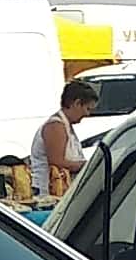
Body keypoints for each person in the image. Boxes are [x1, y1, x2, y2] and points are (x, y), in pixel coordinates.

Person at [26, 78, 102, 207]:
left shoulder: (66, 126)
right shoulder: (56, 126)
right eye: (87, 109)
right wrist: (86, 165)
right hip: (48, 195)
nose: (87, 114)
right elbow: (56, 162)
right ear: (77, 103)